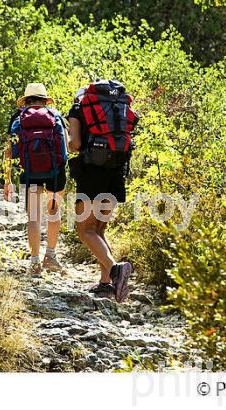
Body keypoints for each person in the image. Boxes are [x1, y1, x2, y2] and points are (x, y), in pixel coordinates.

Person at [66, 80, 138, 303]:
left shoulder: (78, 109)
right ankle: (105, 284)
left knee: (85, 230)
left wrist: (69, 137)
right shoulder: (118, 110)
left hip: (92, 172)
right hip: (117, 171)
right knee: (99, 229)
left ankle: (115, 269)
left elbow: (75, 144)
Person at [3, 83, 68, 276]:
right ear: (45, 99)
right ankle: (51, 255)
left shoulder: (18, 118)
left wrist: (7, 180)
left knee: (33, 216)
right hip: (56, 171)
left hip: (29, 170)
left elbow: (8, 151)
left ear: (26, 100)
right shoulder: (55, 115)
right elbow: (66, 148)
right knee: (53, 211)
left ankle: (34, 262)